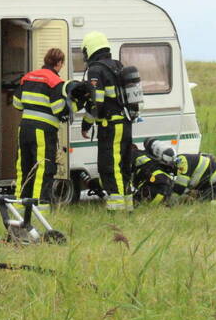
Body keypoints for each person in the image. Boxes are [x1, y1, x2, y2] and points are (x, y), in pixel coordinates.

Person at [79, 31, 133, 211]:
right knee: (124, 164)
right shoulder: (117, 65)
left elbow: (97, 103)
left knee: (109, 166)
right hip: (125, 122)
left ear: (90, 49)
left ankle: (116, 208)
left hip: (110, 125)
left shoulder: (95, 70)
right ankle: (128, 205)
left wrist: (86, 123)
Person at [12, 48, 67, 202]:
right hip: (42, 131)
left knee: (24, 168)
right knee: (42, 169)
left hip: (23, 129)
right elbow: (59, 110)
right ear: (59, 63)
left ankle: (19, 205)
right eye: (62, 64)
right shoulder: (55, 82)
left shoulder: (28, 77)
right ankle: (38, 206)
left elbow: (17, 103)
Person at [144, 138, 216, 202]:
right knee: (196, 202)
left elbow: (180, 188)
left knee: (207, 205)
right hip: (209, 185)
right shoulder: (178, 160)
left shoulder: (182, 161)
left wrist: (166, 192)